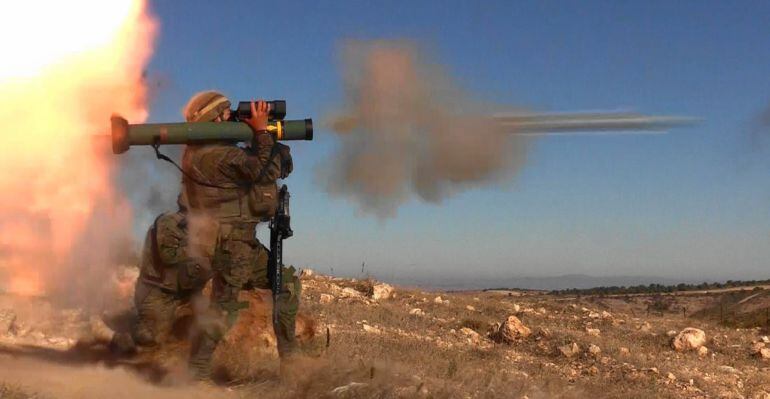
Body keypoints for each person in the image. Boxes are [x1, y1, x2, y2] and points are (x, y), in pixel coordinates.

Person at [179, 91, 299, 381]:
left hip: (231, 241)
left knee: (286, 284)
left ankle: (292, 361)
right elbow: (267, 169)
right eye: (227, 114)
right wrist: (260, 132)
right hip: (230, 244)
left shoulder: (203, 152)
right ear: (214, 119)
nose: (232, 117)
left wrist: (263, 139)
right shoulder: (215, 155)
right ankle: (195, 373)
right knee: (225, 306)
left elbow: (276, 165)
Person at [111, 209, 211, 352]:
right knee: (149, 337)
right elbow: (168, 256)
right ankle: (127, 329)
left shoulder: (202, 228)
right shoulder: (169, 222)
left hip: (183, 290)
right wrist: (202, 254)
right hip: (158, 291)